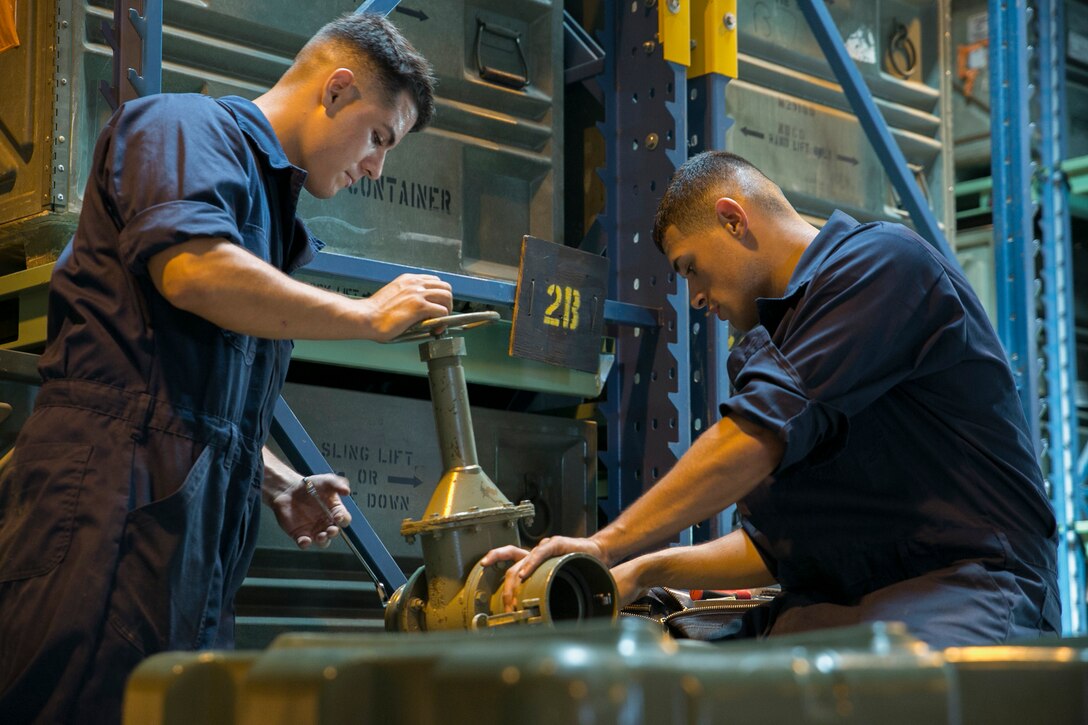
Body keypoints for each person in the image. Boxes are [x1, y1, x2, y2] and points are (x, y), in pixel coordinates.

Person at [0, 12, 452, 724]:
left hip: (181, 537)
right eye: (378, 138)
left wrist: (275, 478)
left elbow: (182, 382)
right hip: (103, 521)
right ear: (335, 90)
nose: (376, 168)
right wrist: (366, 317)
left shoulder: (268, 211)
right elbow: (193, 271)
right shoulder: (185, 127)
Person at [483, 150, 1061, 649]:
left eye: (691, 269)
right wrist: (643, 570)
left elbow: (754, 437)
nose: (696, 297)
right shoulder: (782, 345)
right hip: (849, 598)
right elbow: (774, 545)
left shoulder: (882, 266)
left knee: (879, 691)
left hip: (969, 584)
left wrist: (604, 543)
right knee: (665, 662)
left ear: (732, 219)